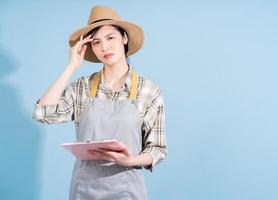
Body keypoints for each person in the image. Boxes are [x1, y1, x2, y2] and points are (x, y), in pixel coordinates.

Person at [32, 5, 167, 200]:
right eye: (96, 42)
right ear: (91, 48)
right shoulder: (82, 87)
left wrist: (130, 160)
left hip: (127, 189)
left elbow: (157, 149)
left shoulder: (149, 90)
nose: (104, 47)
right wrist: (71, 67)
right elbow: (42, 114)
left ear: (124, 38)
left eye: (110, 38)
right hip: (83, 190)